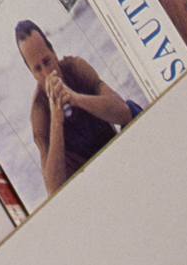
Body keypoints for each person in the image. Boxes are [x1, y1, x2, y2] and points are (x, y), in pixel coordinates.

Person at [14, 19, 138, 195]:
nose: (46, 73)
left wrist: (77, 99)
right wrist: (56, 122)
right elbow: (53, 190)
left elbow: (125, 112)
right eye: (37, 69)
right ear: (32, 74)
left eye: (47, 62)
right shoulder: (39, 111)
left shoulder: (75, 67)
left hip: (115, 152)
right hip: (90, 185)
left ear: (54, 53)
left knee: (133, 106)